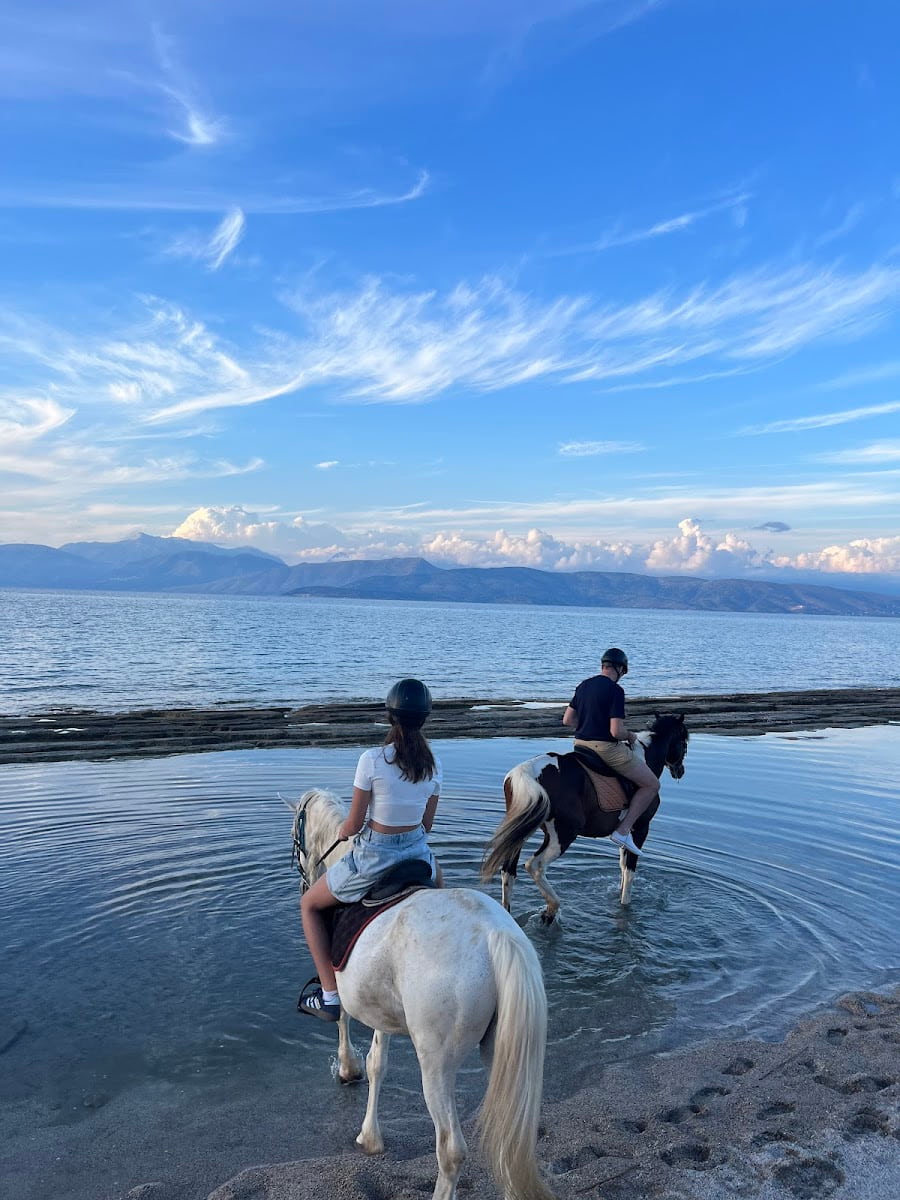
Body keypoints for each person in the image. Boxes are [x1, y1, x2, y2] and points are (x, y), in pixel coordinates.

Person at [298, 678, 442, 1022]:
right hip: (418, 853)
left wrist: (347, 830)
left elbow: (353, 824)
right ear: (424, 718)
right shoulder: (433, 765)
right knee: (440, 889)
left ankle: (330, 996)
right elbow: (427, 825)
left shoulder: (372, 759)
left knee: (309, 905)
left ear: (389, 717)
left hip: (376, 856)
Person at [562, 648, 658, 857]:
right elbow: (616, 731)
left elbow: (567, 720)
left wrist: (590, 726)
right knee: (651, 784)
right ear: (620, 669)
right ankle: (623, 831)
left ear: (603, 665)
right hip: (605, 748)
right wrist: (630, 735)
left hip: (580, 744)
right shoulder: (615, 691)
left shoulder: (584, 685)